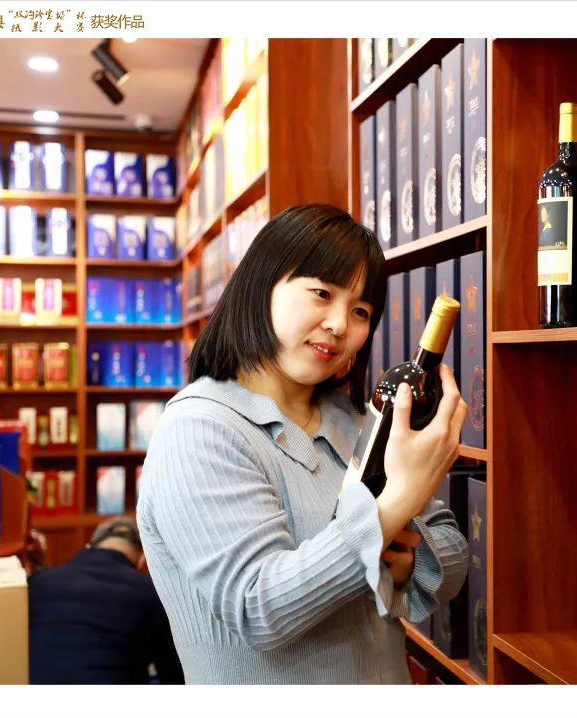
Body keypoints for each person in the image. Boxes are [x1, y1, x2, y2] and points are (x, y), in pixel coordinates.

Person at [137, 203, 469, 683]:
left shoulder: (355, 420)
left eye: (360, 311)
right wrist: (391, 511)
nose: (339, 325)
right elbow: (259, 608)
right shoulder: (199, 430)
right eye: (321, 293)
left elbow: (453, 555)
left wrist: (406, 561)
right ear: (262, 282)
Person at [28, 517, 183, 684]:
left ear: (88, 546)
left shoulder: (38, 583)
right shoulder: (152, 591)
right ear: (142, 560)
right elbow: (174, 674)